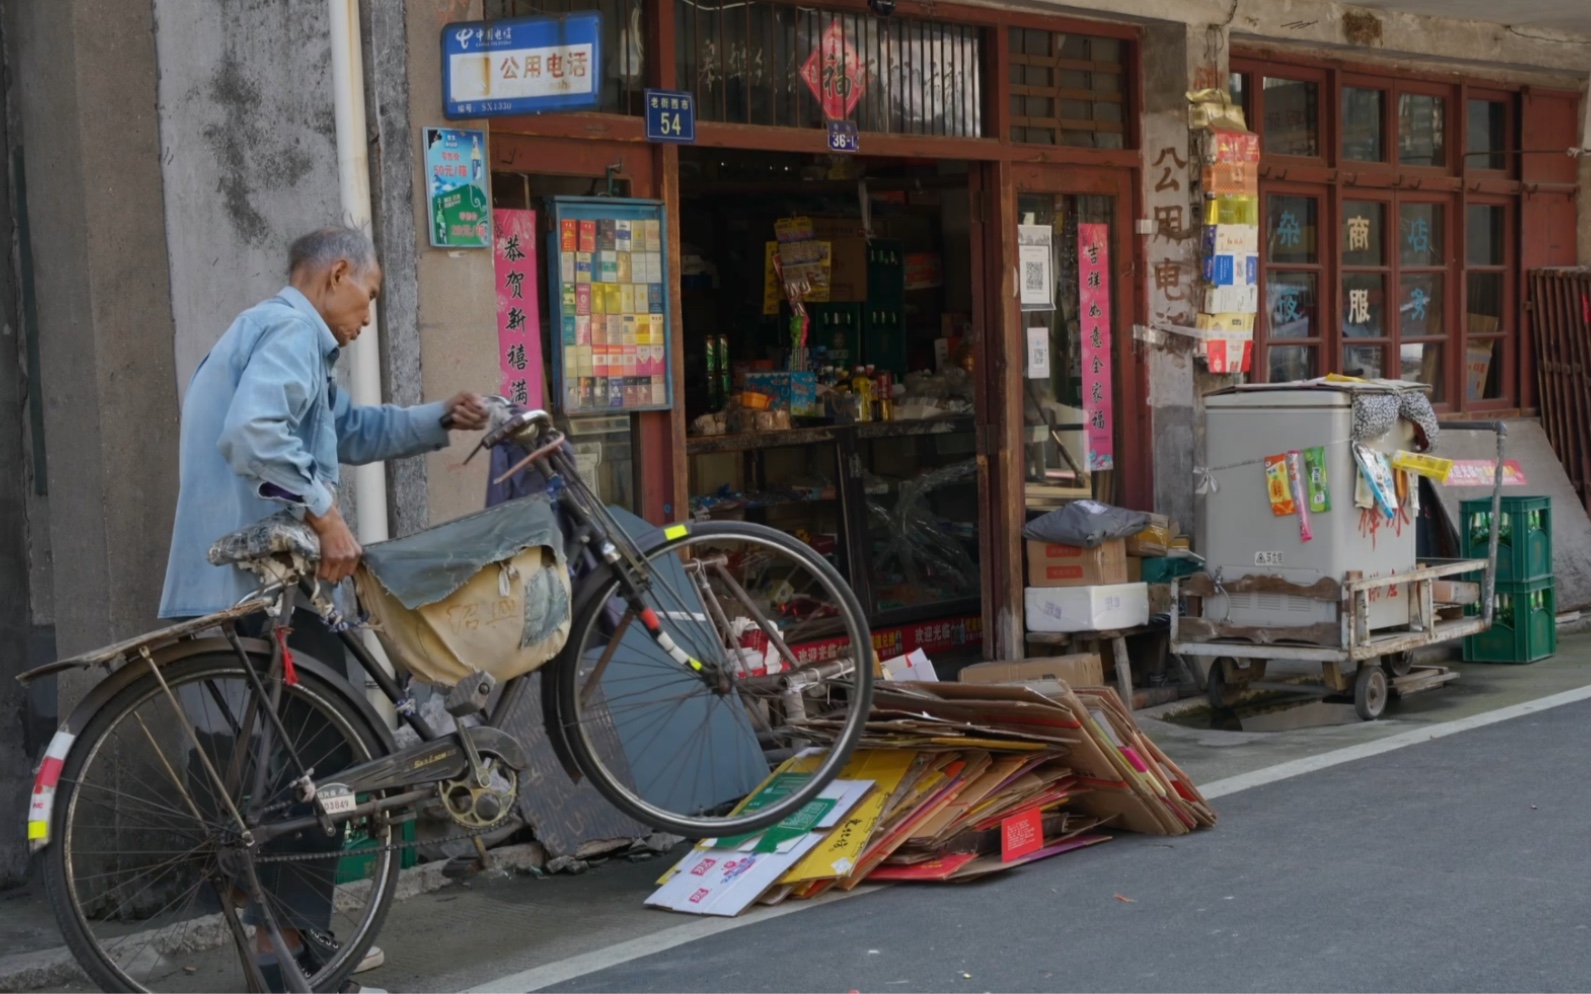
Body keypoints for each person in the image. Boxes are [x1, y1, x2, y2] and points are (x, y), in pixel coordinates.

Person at [159, 226, 490, 992]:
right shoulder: (289, 328)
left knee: (296, 767)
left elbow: (346, 431)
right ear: (337, 274)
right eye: (368, 297)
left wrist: (442, 415)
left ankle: (288, 944)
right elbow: (253, 437)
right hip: (262, 581)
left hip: (252, 580)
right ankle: (295, 958)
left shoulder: (288, 338)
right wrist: (323, 514)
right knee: (322, 764)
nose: (368, 317)